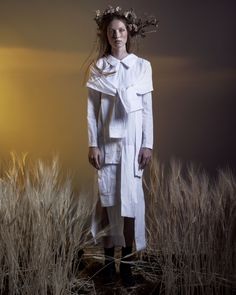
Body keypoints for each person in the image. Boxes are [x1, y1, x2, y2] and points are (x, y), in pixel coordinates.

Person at [86, 6, 158, 287]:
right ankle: (107, 266)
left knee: (129, 205)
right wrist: (93, 144)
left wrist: (148, 144)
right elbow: (92, 111)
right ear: (105, 34)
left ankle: (126, 268)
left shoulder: (142, 66)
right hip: (107, 146)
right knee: (107, 204)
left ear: (129, 34)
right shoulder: (99, 68)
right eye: (112, 31)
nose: (117, 35)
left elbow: (148, 109)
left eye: (122, 31)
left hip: (132, 147)